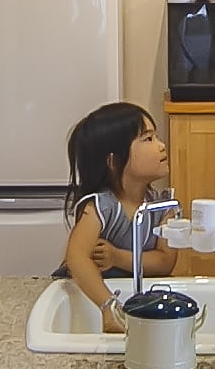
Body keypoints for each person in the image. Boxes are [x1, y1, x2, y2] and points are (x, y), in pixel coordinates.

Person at [59, 100, 174, 322]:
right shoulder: (101, 206)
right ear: (114, 161)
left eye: (156, 137)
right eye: (148, 139)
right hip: (91, 299)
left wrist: (116, 257)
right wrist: (108, 306)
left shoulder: (162, 206)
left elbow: (164, 262)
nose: (161, 145)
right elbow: (76, 258)